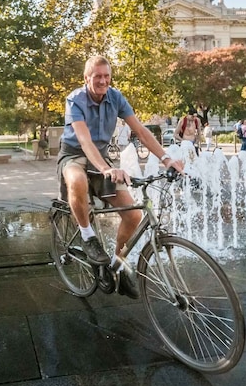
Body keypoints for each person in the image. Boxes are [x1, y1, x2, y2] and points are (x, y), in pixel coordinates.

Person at [59, 56, 184, 298]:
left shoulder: (116, 97)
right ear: (87, 78)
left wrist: (166, 159)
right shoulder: (75, 100)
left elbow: (141, 131)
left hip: (101, 158)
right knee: (78, 180)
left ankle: (117, 264)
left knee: (134, 214)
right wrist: (106, 169)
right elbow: (84, 141)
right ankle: (88, 237)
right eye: (97, 76)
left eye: (107, 76)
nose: (103, 81)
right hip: (74, 155)